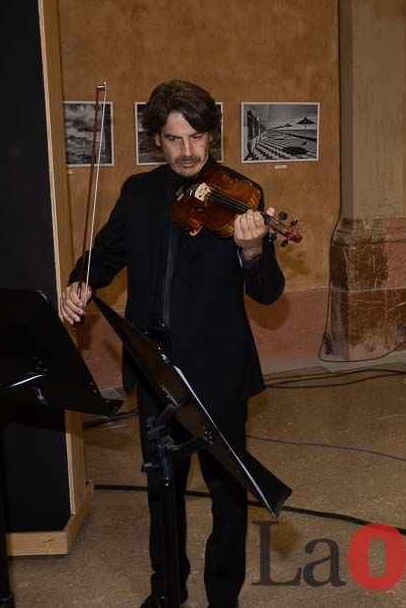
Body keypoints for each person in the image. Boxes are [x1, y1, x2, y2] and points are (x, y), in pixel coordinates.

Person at [59, 79, 285, 608]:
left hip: (216, 369)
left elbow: (269, 292)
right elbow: (103, 256)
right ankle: (167, 591)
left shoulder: (240, 195)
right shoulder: (138, 194)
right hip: (153, 366)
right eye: (174, 139)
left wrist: (253, 252)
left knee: (228, 493)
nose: (188, 152)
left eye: (197, 137)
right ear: (156, 140)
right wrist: (79, 284)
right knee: (163, 488)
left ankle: (222, 596)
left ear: (211, 135)